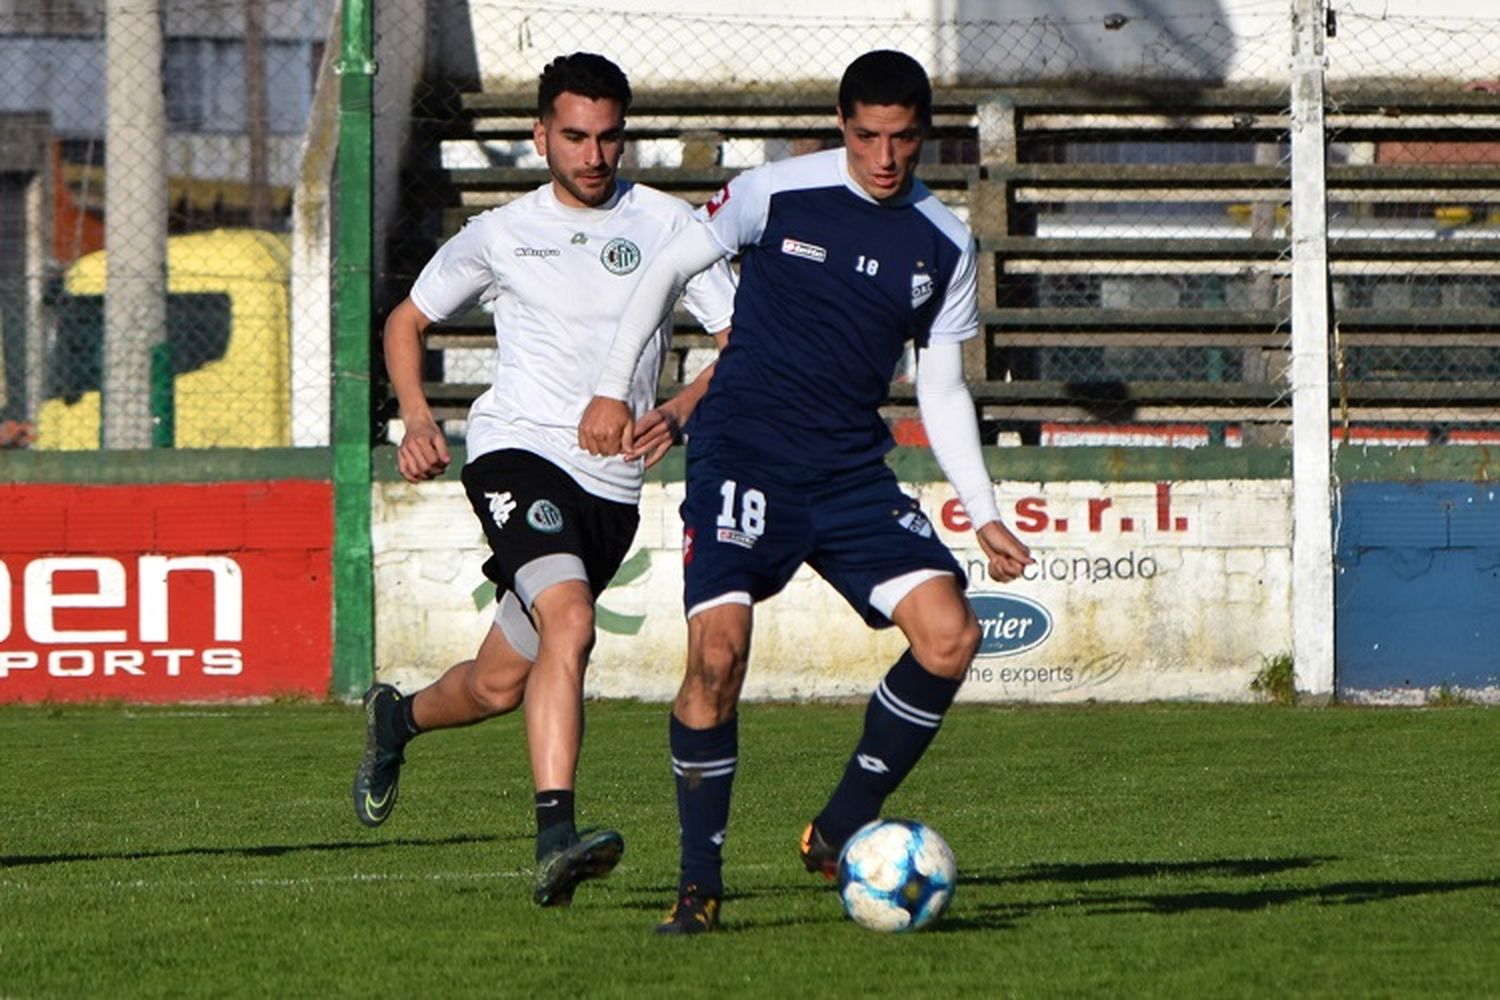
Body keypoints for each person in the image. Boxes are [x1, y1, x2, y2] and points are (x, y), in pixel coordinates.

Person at [578, 49, 1034, 934]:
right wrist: (612, 384)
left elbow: (940, 387)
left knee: (951, 637)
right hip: (743, 448)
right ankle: (699, 888)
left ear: (925, 137)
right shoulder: (775, 192)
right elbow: (664, 271)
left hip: (849, 467)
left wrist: (982, 511)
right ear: (842, 125)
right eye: (867, 135)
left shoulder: (943, 242)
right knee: (718, 657)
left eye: (902, 139)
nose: (884, 156)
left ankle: (838, 830)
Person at [354, 51, 736, 908]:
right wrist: (417, 415)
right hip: (516, 451)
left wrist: (679, 410)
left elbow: (739, 339)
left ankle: (396, 718)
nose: (594, 156)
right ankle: (555, 837)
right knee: (571, 617)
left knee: (500, 681)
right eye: (574, 137)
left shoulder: (675, 228)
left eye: (608, 138)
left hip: (613, 487)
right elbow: (407, 321)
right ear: (538, 136)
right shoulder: (501, 231)